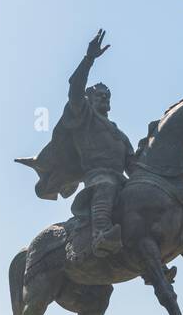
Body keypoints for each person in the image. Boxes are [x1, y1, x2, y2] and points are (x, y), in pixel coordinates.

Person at [15, 29, 136, 257]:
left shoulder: (119, 135)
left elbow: (134, 167)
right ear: (89, 99)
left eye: (106, 97)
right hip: (97, 179)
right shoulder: (83, 116)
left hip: (122, 182)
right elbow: (75, 90)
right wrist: (89, 59)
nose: (104, 99)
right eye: (99, 95)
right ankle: (100, 233)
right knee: (105, 185)